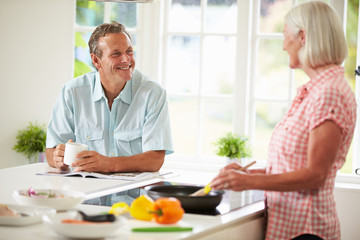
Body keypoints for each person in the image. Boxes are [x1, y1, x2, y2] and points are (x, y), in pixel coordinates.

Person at [210, 2, 357, 240]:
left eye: (285, 34)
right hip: (291, 228)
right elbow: (293, 167)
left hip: (307, 231)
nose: (282, 45)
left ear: (303, 36)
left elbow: (314, 175)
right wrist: (246, 174)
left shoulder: (329, 93)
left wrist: (248, 182)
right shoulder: (316, 90)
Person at [45, 21, 173, 173]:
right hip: (86, 193)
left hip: (133, 197)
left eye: (129, 51)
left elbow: (155, 159)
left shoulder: (153, 93)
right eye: (116, 54)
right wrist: (58, 158)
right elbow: (51, 152)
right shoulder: (72, 92)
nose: (126, 59)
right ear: (96, 60)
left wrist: (109, 164)